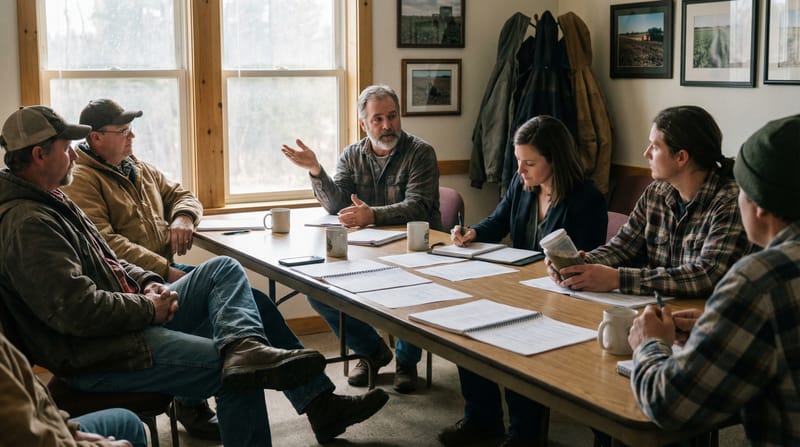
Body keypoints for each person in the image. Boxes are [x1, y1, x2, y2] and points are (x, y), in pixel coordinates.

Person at [0, 105, 387, 446]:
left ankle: (305, 394)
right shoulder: (29, 222)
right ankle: (280, 377)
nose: (71, 153)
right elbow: (78, 310)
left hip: (129, 314)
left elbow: (109, 261)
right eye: (64, 147)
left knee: (225, 273)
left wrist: (144, 283)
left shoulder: (53, 197)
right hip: (101, 352)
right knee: (239, 370)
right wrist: (147, 305)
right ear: (38, 155)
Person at [627, 114, 800, 446]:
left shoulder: (758, 281)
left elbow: (668, 404)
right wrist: (717, 322)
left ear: (759, 205)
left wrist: (650, 343)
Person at [439, 115, 607, 447]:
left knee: (518, 344)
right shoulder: (523, 184)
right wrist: (473, 232)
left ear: (555, 160)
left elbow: (587, 261)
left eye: (529, 163)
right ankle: (482, 419)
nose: (520, 171)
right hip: (518, 286)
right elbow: (500, 218)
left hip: (564, 296)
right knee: (468, 328)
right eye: (518, 161)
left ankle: (523, 434)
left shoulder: (586, 198)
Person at [281, 84, 441, 393]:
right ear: (363, 123)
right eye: (378, 119)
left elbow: (418, 205)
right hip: (366, 251)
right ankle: (371, 350)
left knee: (410, 285)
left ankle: (406, 363)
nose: (387, 125)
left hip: (416, 249)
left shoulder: (420, 152)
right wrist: (316, 170)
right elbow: (336, 204)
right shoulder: (352, 155)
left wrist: (373, 215)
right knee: (317, 288)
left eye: (392, 117)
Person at [547, 105, 751, 299]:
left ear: (681, 157)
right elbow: (622, 246)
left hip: (703, 318)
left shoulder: (731, 201)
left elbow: (707, 276)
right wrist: (578, 265)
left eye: (654, 146)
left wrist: (618, 279)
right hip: (656, 309)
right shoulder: (656, 192)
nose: (646, 154)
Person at [0, 328, 146, 447]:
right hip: (75, 359)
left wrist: (71, 430)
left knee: (126, 421)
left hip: (44, 427)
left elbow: (32, 388)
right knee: (127, 427)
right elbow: (25, 440)